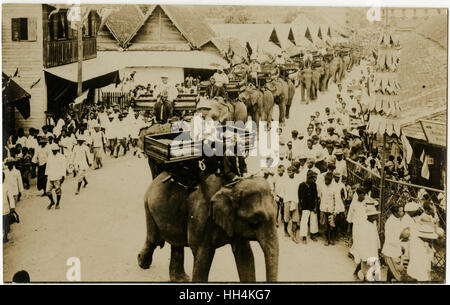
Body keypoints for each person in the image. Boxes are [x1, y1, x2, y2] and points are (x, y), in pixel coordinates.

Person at [356, 205, 381, 281]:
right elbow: (362, 243)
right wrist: (364, 257)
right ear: (370, 216)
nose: (376, 217)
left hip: (373, 252)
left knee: (373, 273)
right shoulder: (364, 226)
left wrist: (378, 247)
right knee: (367, 273)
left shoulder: (372, 224)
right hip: (367, 255)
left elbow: (376, 237)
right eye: (375, 216)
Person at [382, 204, 406, 282]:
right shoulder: (390, 222)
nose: (403, 212)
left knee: (391, 269)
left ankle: (388, 281)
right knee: (397, 273)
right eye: (401, 211)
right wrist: (400, 244)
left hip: (395, 249)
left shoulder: (397, 219)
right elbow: (389, 238)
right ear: (395, 213)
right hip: (390, 250)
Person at [298, 170, 319, 244]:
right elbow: (299, 198)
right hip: (305, 206)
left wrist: (316, 207)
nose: (311, 179)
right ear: (307, 177)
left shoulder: (314, 185)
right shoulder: (301, 185)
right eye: (310, 177)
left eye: (312, 178)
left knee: (313, 221)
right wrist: (300, 207)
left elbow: (316, 197)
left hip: (312, 206)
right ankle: (304, 236)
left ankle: (312, 235)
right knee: (304, 221)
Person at [45, 143, 66, 210]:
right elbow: (47, 166)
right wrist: (46, 175)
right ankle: (52, 201)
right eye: (53, 150)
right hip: (50, 176)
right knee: (48, 191)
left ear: (58, 150)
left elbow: (63, 167)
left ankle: (57, 203)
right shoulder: (50, 157)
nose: (54, 151)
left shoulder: (61, 157)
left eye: (55, 150)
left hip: (58, 176)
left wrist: (63, 176)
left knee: (58, 190)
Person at [319, 172, 337, 246]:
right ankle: (326, 239)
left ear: (331, 180)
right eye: (325, 179)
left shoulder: (334, 187)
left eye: (328, 180)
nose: (326, 181)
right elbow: (320, 196)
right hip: (323, 208)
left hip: (331, 209)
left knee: (331, 225)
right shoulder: (322, 186)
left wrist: (335, 210)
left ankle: (332, 238)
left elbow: (336, 199)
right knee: (325, 225)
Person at [285, 165, 300, 243]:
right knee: (286, 218)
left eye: (290, 172)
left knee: (295, 219)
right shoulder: (285, 180)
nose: (289, 173)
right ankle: (285, 230)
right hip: (287, 201)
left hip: (295, 201)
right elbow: (282, 191)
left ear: (294, 172)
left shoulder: (297, 180)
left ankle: (294, 235)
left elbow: (299, 190)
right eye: (288, 172)